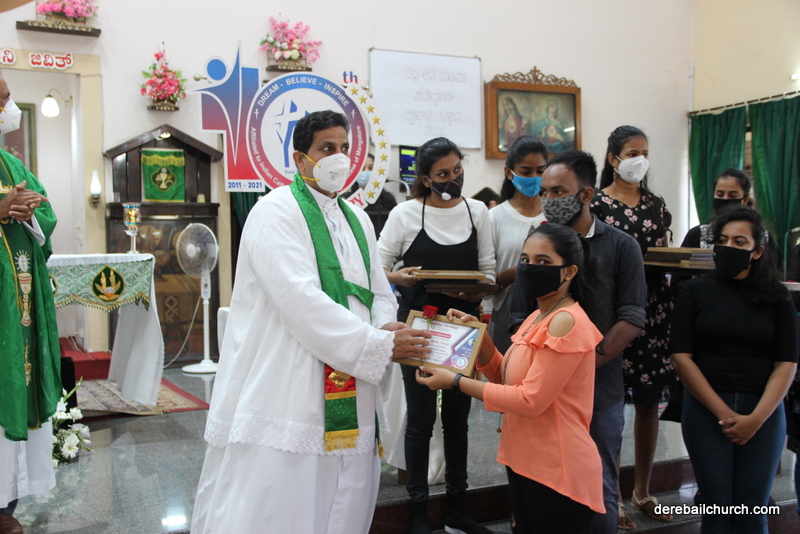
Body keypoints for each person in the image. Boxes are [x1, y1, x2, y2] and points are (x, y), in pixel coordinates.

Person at [191, 110, 433, 534]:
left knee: (347, 497)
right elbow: (298, 300)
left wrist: (383, 330)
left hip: (355, 380)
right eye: (327, 148)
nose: (339, 157)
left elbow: (378, 291)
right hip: (292, 382)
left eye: (344, 148)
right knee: (284, 503)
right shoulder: (274, 212)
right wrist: (374, 345)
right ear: (299, 158)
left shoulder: (357, 218)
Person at [417, 223, 606, 533]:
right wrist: (478, 336)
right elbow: (505, 376)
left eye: (543, 261)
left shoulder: (566, 321)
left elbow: (529, 400)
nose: (530, 268)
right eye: (525, 259)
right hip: (527, 459)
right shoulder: (539, 315)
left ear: (569, 272)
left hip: (557, 466)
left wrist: (454, 382)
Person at [508, 150, 646, 534]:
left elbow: (632, 317)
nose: (548, 200)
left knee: (599, 487)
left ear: (586, 195)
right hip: (537, 393)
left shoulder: (621, 246)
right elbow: (519, 315)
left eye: (559, 191)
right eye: (545, 192)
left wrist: (579, 362)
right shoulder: (536, 244)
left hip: (599, 389)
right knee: (537, 490)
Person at [377, 137, 496, 534]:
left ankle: (458, 511)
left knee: (459, 420)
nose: (453, 179)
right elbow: (376, 268)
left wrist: (476, 291)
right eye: (443, 174)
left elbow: (489, 270)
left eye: (457, 170)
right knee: (421, 418)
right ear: (426, 179)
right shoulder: (406, 213)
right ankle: (419, 514)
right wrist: (399, 277)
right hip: (420, 327)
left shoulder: (477, 212)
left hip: (462, 326)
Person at [670, 205, 798, 533]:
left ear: (757, 251)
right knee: (717, 509)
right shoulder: (694, 291)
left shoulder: (778, 296)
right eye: (723, 240)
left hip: (763, 412)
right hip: (706, 410)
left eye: (739, 242)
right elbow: (681, 357)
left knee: (752, 512)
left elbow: (786, 363)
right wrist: (724, 413)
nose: (729, 247)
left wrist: (756, 419)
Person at [590, 125, 675, 526]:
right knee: (609, 409)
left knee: (647, 402)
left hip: (652, 309)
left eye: (645, 152)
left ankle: (642, 490)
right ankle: (613, 495)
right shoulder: (597, 203)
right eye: (632, 153)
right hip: (611, 313)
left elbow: (662, 252)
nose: (640, 159)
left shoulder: (656, 204)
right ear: (613, 159)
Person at [0, 77, 61, 534]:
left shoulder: (11, 161)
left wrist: (30, 209)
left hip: (16, 302)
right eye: (0, 99)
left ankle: (5, 504)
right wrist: (1, 208)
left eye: (6, 97)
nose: (8, 107)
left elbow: (47, 212)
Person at [485, 136, 547, 355]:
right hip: (506, 313)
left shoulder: (555, 214)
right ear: (509, 172)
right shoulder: (494, 218)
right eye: (526, 171)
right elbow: (487, 280)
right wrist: (520, 270)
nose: (534, 178)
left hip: (551, 311)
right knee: (506, 368)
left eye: (540, 171)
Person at [682, 168, 751, 249]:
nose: (725, 199)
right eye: (720, 195)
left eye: (732, 196)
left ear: (745, 201)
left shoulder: (756, 235)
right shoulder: (697, 235)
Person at [354, 153, 397, 237]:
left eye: (371, 168)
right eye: (362, 168)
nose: (366, 172)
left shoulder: (388, 200)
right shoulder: (347, 199)